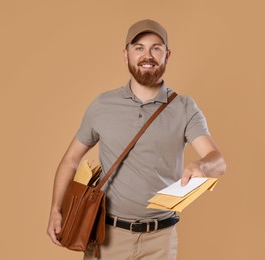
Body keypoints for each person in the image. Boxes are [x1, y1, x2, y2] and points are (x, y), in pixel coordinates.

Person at [47, 19, 226, 260]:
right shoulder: (102, 105)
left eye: (156, 48)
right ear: (126, 54)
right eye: (139, 48)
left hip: (160, 240)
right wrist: (56, 210)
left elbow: (218, 161)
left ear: (167, 55)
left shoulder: (184, 108)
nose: (147, 55)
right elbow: (70, 159)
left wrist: (201, 166)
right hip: (107, 236)